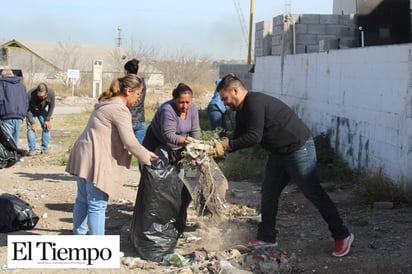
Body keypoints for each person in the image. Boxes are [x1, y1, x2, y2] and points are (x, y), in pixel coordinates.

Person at [214, 74, 354, 257]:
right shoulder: (242, 111)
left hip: (298, 149)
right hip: (279, 153)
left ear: (235, 90)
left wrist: (228, 145)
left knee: (314, 193)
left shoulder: (254, 102)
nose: (225, 104)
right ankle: (267, 237)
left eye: (225, 98)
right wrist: (219, 149)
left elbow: (253, 137)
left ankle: (342, 235)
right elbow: (238, 136)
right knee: (269, 192)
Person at [65, 74, 158, 235]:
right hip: (96, 159)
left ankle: (78, 238)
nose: (138, 98)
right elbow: (130, 141)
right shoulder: (119, 109)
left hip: (85, 154)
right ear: (129, 91)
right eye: (138, 94)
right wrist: (146, 157)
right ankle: (98, 248)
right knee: (97, 204)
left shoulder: (107, 103)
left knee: (82, 200)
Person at [143, 82, 201, 234]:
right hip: (158, 145)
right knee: (159, 183)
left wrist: (200, 147)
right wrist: (189, 141)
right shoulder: (167, 109)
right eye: (181, 102)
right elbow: (169, 137)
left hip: (179, 146)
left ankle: (174, 218)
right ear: (174, 100)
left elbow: (195, 130)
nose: (185, 106)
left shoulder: (193, 109)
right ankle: (154, 219)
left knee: (178, 182)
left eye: (188, 102)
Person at [0, 69, 28, 146]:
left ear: (3, 76)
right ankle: (15, 156)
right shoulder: (21, 85)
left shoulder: (2, 84)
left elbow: (0, 100)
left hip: (6, 115)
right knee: (15, 140)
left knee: (8, 140)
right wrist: (23, 115)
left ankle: (10, 156)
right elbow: (25, 101)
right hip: (19, 117)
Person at [26, 83, 56, 155]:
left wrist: (47, 119)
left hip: (42, 110)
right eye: (40, 96)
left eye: (43, 96)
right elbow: (26, 109)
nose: (42, 98)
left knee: (46, 127)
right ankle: (32, 150)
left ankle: (44, 149)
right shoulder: (30, 94)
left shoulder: (51, 93)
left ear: (47, 93)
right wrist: (32, 122)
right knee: (31, 129)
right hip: (31, 111)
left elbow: (51, 106)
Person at [124, 58, 146, 144]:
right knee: (140, 151)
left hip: (127, 119)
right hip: (140, 119)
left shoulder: (124, 84)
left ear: (126, 71)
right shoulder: (142, 83)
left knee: (123, 152)